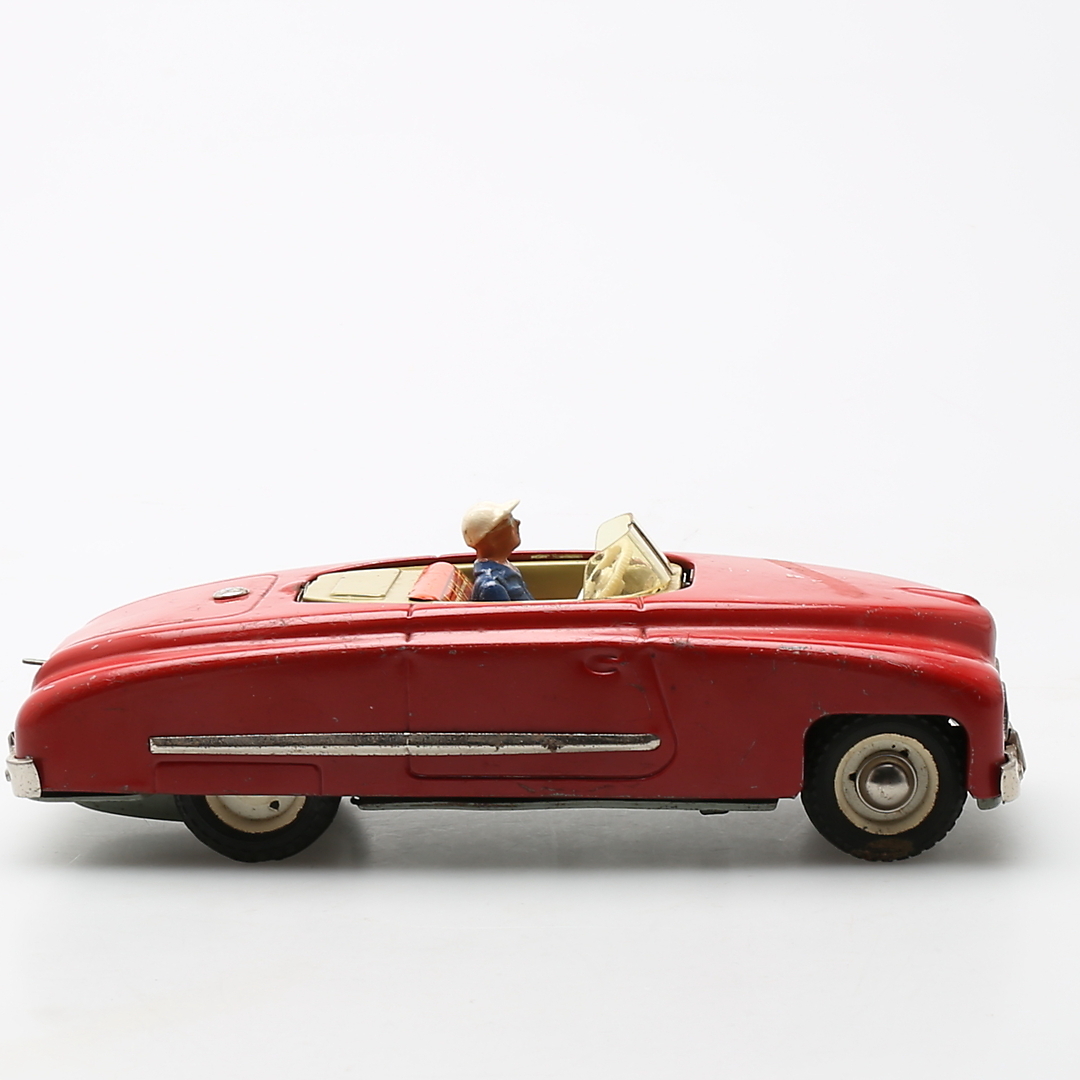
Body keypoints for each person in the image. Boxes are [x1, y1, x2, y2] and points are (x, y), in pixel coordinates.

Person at [461, 500, 534, 601]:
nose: (517, 522)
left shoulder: (505, 570)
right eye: (509, 520)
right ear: (493, 537)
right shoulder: (492, 586)